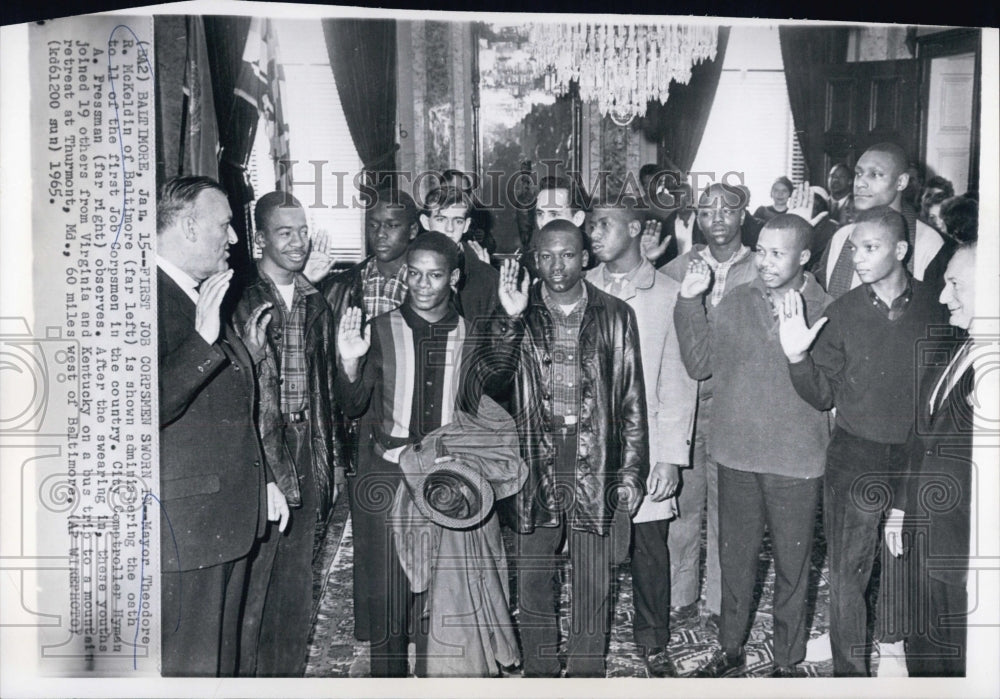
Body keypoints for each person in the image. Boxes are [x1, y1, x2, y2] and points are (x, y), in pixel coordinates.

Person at [778, 205, 948, 676]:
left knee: (902, 559)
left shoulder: (938, 308)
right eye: (854, 247)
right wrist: (796, 358)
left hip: (916, 456)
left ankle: (893, 645)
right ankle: (849, 670)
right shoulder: (842, 313)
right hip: (854, 454)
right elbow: (822, 395)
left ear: (901, 250)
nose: (858, 257)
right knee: (849, 569)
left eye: (870, 247)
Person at [477, 220, 648, 677]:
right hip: (535, 460)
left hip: (595, 460)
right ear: (535, 260)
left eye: (568, 254)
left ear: (585, 257)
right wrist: (509, 320)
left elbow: (631, 400)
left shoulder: (615, 314)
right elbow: (490, 385)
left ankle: (587, 672)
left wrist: (631, 473)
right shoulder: (518, 311)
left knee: (593, 578)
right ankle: (541, 671)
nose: (558, 265)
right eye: (547, 256)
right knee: (533, 578)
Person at [676, 215, 833, 678]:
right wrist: (689, 303)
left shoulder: (825, 308)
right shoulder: (735, 301)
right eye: (761, 250)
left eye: (777, 253)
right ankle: (730, 650)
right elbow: (700, 364)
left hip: (796, 460)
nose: (764, 262)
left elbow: (825, 395)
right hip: (737, 453)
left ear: (804, 257)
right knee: (735, 560)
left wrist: (797, 354)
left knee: (793, 567)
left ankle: (785, 662)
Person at [334, 232, 485, 677]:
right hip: (386, 474)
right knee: (388, 593)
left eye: (435, 275)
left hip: (445, 476)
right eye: (414, 273)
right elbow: (353, 404)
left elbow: (484, 410)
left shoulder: (471, 334)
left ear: (454, 278)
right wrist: (349, 363)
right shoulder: (379, 328)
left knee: (440, 592)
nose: (422, 284)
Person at [156, 176, 287, 676]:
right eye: (225, 225)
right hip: (185, 533)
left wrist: (266, 480)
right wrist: (202, 342)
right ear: (189, 227)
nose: (234, 239)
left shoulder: (198, 294)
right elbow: (138, 410)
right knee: (191, 669)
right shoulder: (134, 298)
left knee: (221, 666)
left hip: (224, 519)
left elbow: (231, 404)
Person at [305, 185, 418, 667]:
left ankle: (422, 627)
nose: (379, 233)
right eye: (372, 223)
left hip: (412, 424)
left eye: (391, 224)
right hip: (359, 425)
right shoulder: (340, 285)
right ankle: (381, 634)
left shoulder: (427, 281)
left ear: (413, 230)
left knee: (419, 534)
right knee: (373, 541)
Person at [585, 197, 697, 677]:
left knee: (650, 547)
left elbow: (678, 380)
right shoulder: (581, 286)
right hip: (592, 444)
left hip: (645, 443)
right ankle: (589, 639)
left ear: (635, 228)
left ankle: (653, 641)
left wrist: (670, 457)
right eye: (590, 225)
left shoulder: (668, 293)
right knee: (592, 544)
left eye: (604, 225)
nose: (593, 233)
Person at [234, 191, 342, 676]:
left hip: (307, 444)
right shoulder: (239, 298)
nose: (299, 242)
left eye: (302, 230)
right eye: (285, 233)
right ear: (260, 238)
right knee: (257, 578)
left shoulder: (315, 299)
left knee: (298, 576)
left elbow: (327, 386)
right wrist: (261, 469)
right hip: (261, 449)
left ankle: (286, 678)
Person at [661, 182, 758, 632]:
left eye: (726, 208)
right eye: (706, 209)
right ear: (696, 218)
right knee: (681, 506)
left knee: (729, 510)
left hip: (738, 408)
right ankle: (680, 594)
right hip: (687, 407)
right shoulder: (677, 269)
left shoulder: (763, 267)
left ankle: (721, 601)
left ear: (744, 214)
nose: (716, 216)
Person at [903, 242, 977, 677]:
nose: (944, 297)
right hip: (926, 534)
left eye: (955, 285)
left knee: (957, 660)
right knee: (924, 653)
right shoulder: (956, 346)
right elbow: (922, 437)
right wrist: (902, 508)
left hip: (963, 552)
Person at [816, 143, 946, 297]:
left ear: (901, 182)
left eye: (875, 174)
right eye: (858, 174)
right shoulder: (841, 237)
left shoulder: (928, 242)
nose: (860, 183)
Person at [419, 185, 499, 328]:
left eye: (458, 221)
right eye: (441, 219)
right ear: (426, 222)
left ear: (467, 225)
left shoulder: (487, 276)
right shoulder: (406, 268)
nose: (450, 229)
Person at [442, 168, 497, 257]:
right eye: (457, 191)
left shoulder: (478, 212)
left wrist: (484, 239)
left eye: (466, 192)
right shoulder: (432, 212)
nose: (463, 196)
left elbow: (491, 246)